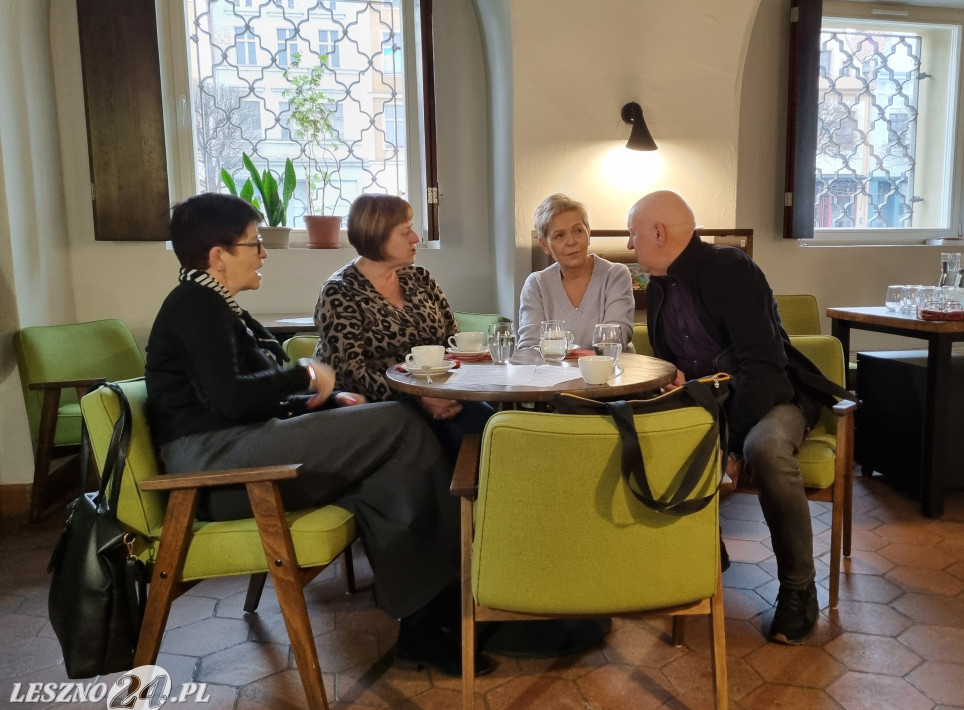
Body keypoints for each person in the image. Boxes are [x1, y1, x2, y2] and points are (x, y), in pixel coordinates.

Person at [146, 192, 490, 676]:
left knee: (387, 474)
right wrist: (305, 374)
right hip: (215, 472)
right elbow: (232, 402)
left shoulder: (214, 304)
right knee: (399, 420)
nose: (264, 252)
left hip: (239, 450)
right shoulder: (196, 306)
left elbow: (236, 396)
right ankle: (452, 601)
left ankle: (421, 624)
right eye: (255, 243)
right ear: (218, 255)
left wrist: (328, 399)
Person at [626, 190, 826, 645]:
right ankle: (701, 556)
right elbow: (673, 362)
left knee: (766, 450)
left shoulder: (731, 269)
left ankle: (799, 590)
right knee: (642, 433)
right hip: (707, 402)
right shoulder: (658, 285)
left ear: (658, 232)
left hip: (772, 398)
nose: (631, 243)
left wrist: (730, 443)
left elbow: (763, 367)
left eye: (634, 233)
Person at [314, 193, 491, 461]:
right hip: (376, 403)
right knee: (459, 440)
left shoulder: (420, 278)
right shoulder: (340, 291)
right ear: (377, 236)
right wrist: (417, 398)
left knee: (493, 425)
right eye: (405, 231)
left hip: (436, 393)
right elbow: (349, 371)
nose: (416, 239)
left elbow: (451, 339)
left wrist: (448, 390)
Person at [519, 194, 635, 350]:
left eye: (578, 231)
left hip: (609, 372)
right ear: (544, 245)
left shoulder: (616, 274)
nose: (572, 241)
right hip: (554, 373)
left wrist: (568, 358)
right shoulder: (536, 284)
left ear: (588, 233)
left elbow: (614, 339)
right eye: (560, 235)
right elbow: (528, 347)